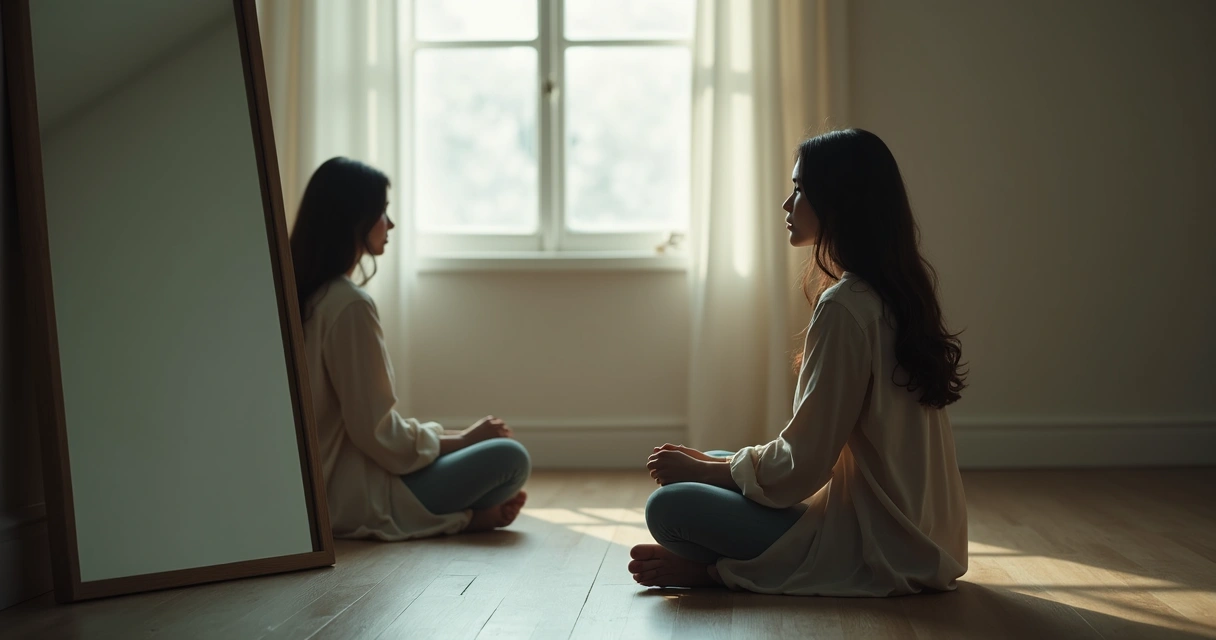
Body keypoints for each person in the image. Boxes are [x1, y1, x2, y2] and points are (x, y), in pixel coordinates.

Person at [630, 129, 969, 596]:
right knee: (727, 460)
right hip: (929, 535)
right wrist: (716, 466)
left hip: (879, 545)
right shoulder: (898, 294)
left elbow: (804, 467)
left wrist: (707, 472)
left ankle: (715, 573)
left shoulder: (846, 307)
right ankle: (729, 546)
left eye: (799, 191)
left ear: (838, 201)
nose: (787, 205)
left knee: (668, 508)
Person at [290, 157, 531, 540]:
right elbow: (376, 434)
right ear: (355, 218)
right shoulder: (347, 304)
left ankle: (468, 510)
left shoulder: (303, 295)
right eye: (382, 212)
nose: (391, 224)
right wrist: (464, 439)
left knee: (490, 452)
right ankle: (470, 518)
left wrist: (454, 439)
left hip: (314, 484)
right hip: (346, 494)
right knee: (510, 460)